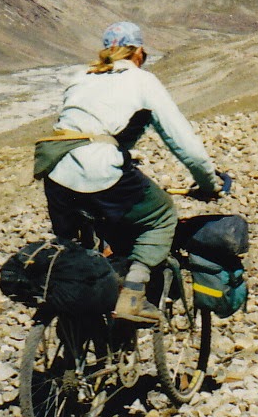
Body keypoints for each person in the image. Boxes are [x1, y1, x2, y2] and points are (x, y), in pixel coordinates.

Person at [36, 22, 223, 325]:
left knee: (75, 249)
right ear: (138, 52)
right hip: (99, 170)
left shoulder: (82, 77)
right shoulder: (141, 80)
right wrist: (209, 183)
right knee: (161, 215)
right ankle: (133, 294)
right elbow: (184, 144)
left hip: (56, 172)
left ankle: (76, 328)